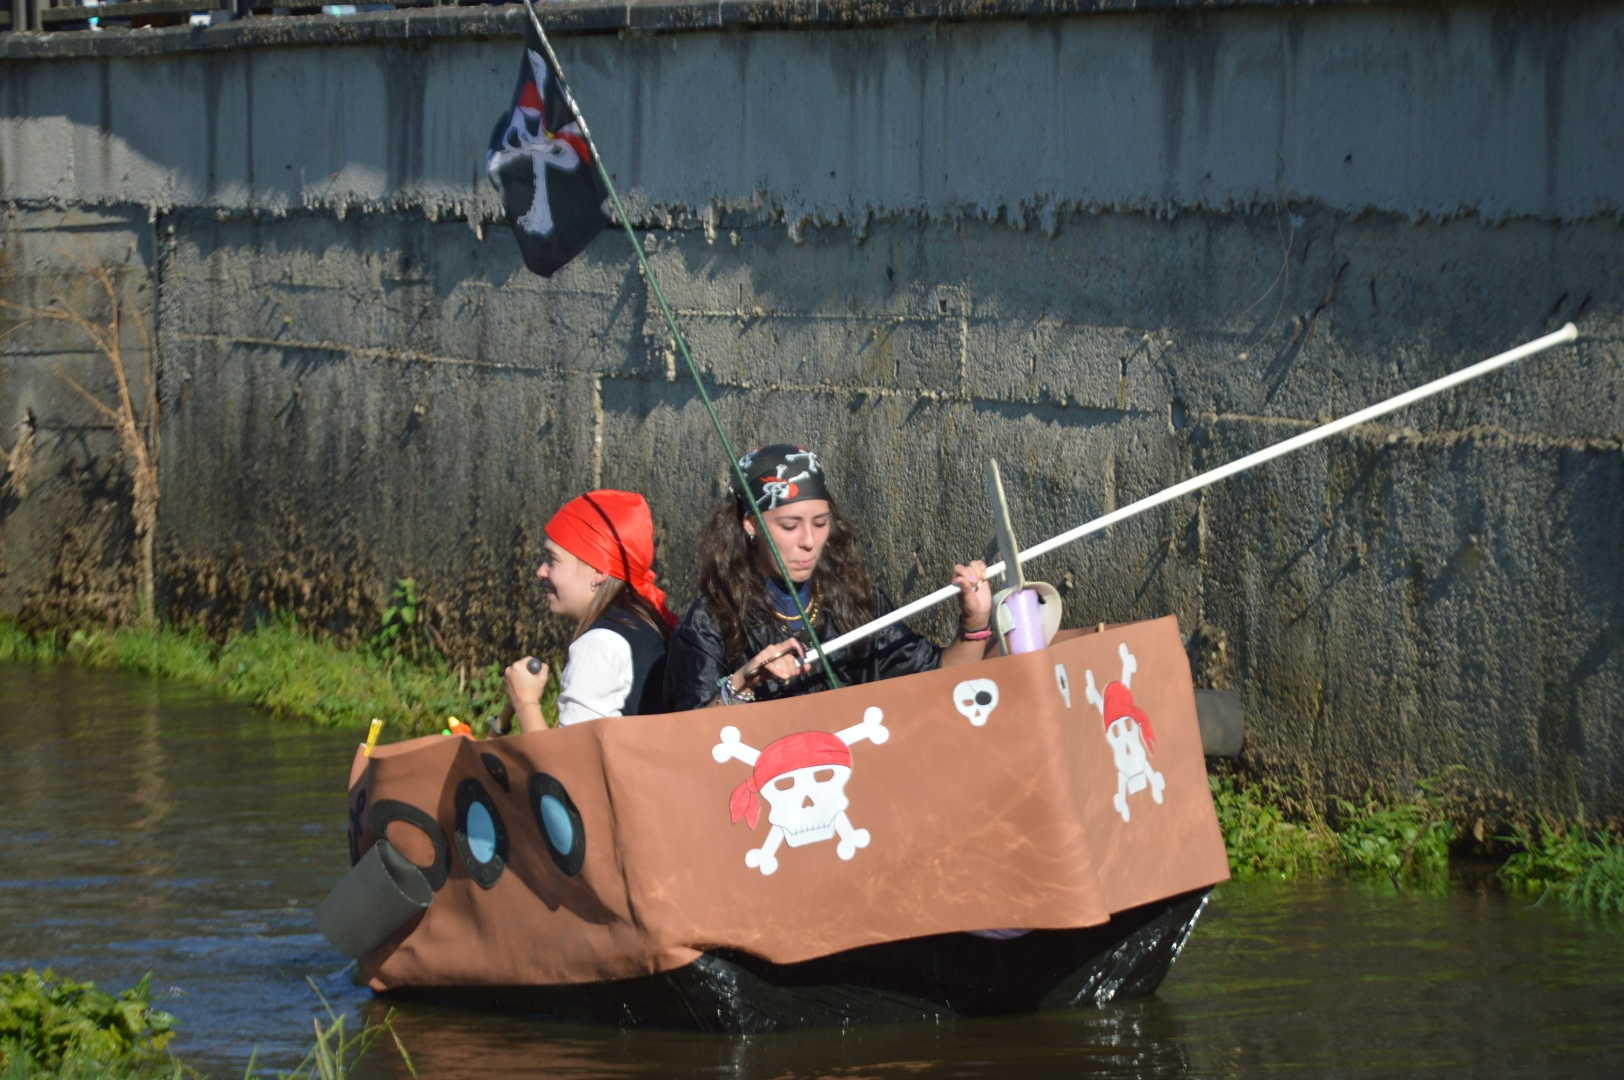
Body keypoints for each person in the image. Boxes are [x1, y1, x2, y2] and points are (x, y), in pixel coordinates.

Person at [665, 444, 992, 711]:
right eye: (789, 526)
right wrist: (740, 684)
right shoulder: (711, 622)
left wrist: (974, 623)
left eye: (820, 523)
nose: (808, 540)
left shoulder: (855, 599)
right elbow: (690, 746)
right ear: (751, 525)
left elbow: (942, 681)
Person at [503, 490, 676, 731]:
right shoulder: (646, 623)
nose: (540, 571)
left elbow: (568, 764)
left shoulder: (600, 646)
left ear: (598, 570)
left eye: (552, 560)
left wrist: (525, 703)